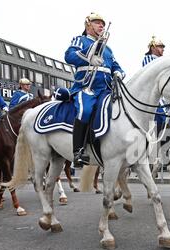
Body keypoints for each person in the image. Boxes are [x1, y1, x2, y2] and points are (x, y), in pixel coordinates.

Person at [65, 12, 125, 167]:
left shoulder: (108, 49)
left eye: (102, 24)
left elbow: (115, 65)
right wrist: (88, 57)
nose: (101, 26)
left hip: (106, 89)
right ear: (88, 25)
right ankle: (78, 151)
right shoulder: (80, 40)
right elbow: (69, 56)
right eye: (97, 23)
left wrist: (118, 72)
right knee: (85, 110)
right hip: (86, 87)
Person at [142, 36, 167, 135]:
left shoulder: (163, 60)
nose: (163, 49)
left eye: (162, 47)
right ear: (153, 48)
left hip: (163, 94)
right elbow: (153, 75)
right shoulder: (148, 58)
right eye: (160, 46)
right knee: (161, 117)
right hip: (152, 94)